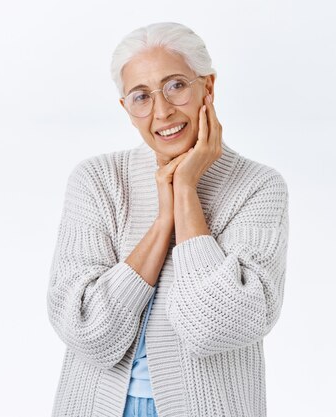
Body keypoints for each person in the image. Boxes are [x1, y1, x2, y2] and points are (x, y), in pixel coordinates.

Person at [46, 22, 289, 417]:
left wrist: (187, 191)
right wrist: (163, 220)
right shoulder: (97, 180)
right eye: (141, 96)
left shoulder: (258, 187)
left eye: (176, 85)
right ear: (127, 109)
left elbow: (219, 325)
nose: (161, 111)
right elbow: (85, 329)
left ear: (207, 88)